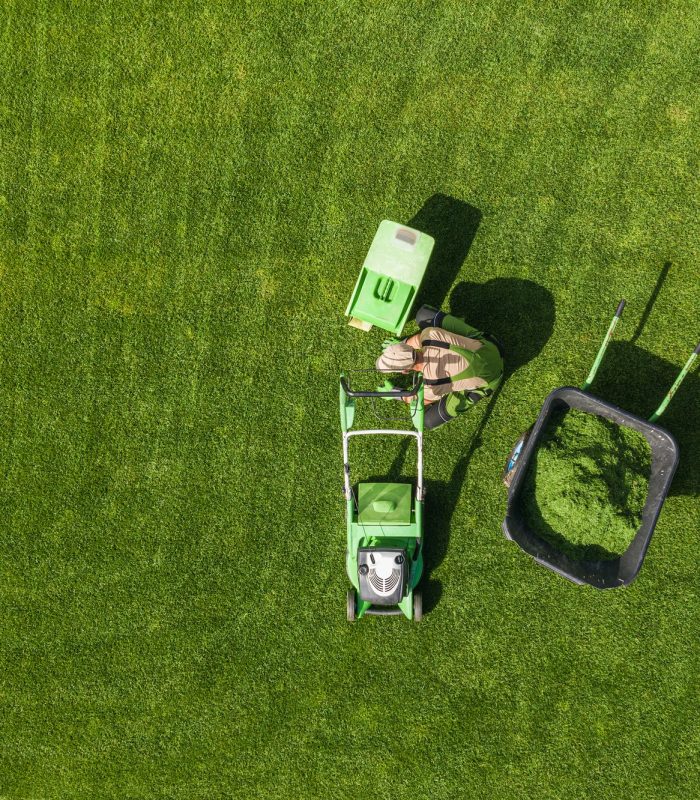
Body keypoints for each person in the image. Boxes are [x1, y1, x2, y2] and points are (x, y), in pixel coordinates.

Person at [375, 304, 504, 430]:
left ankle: (476, 390)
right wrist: (401, 346)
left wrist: (397, 394)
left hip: (493, 378)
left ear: (405, 371)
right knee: (423, 315)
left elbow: (418, 399)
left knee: (427, 421)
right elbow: (417, 339)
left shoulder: (431, 385)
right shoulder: (429, 335)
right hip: (492, 347)